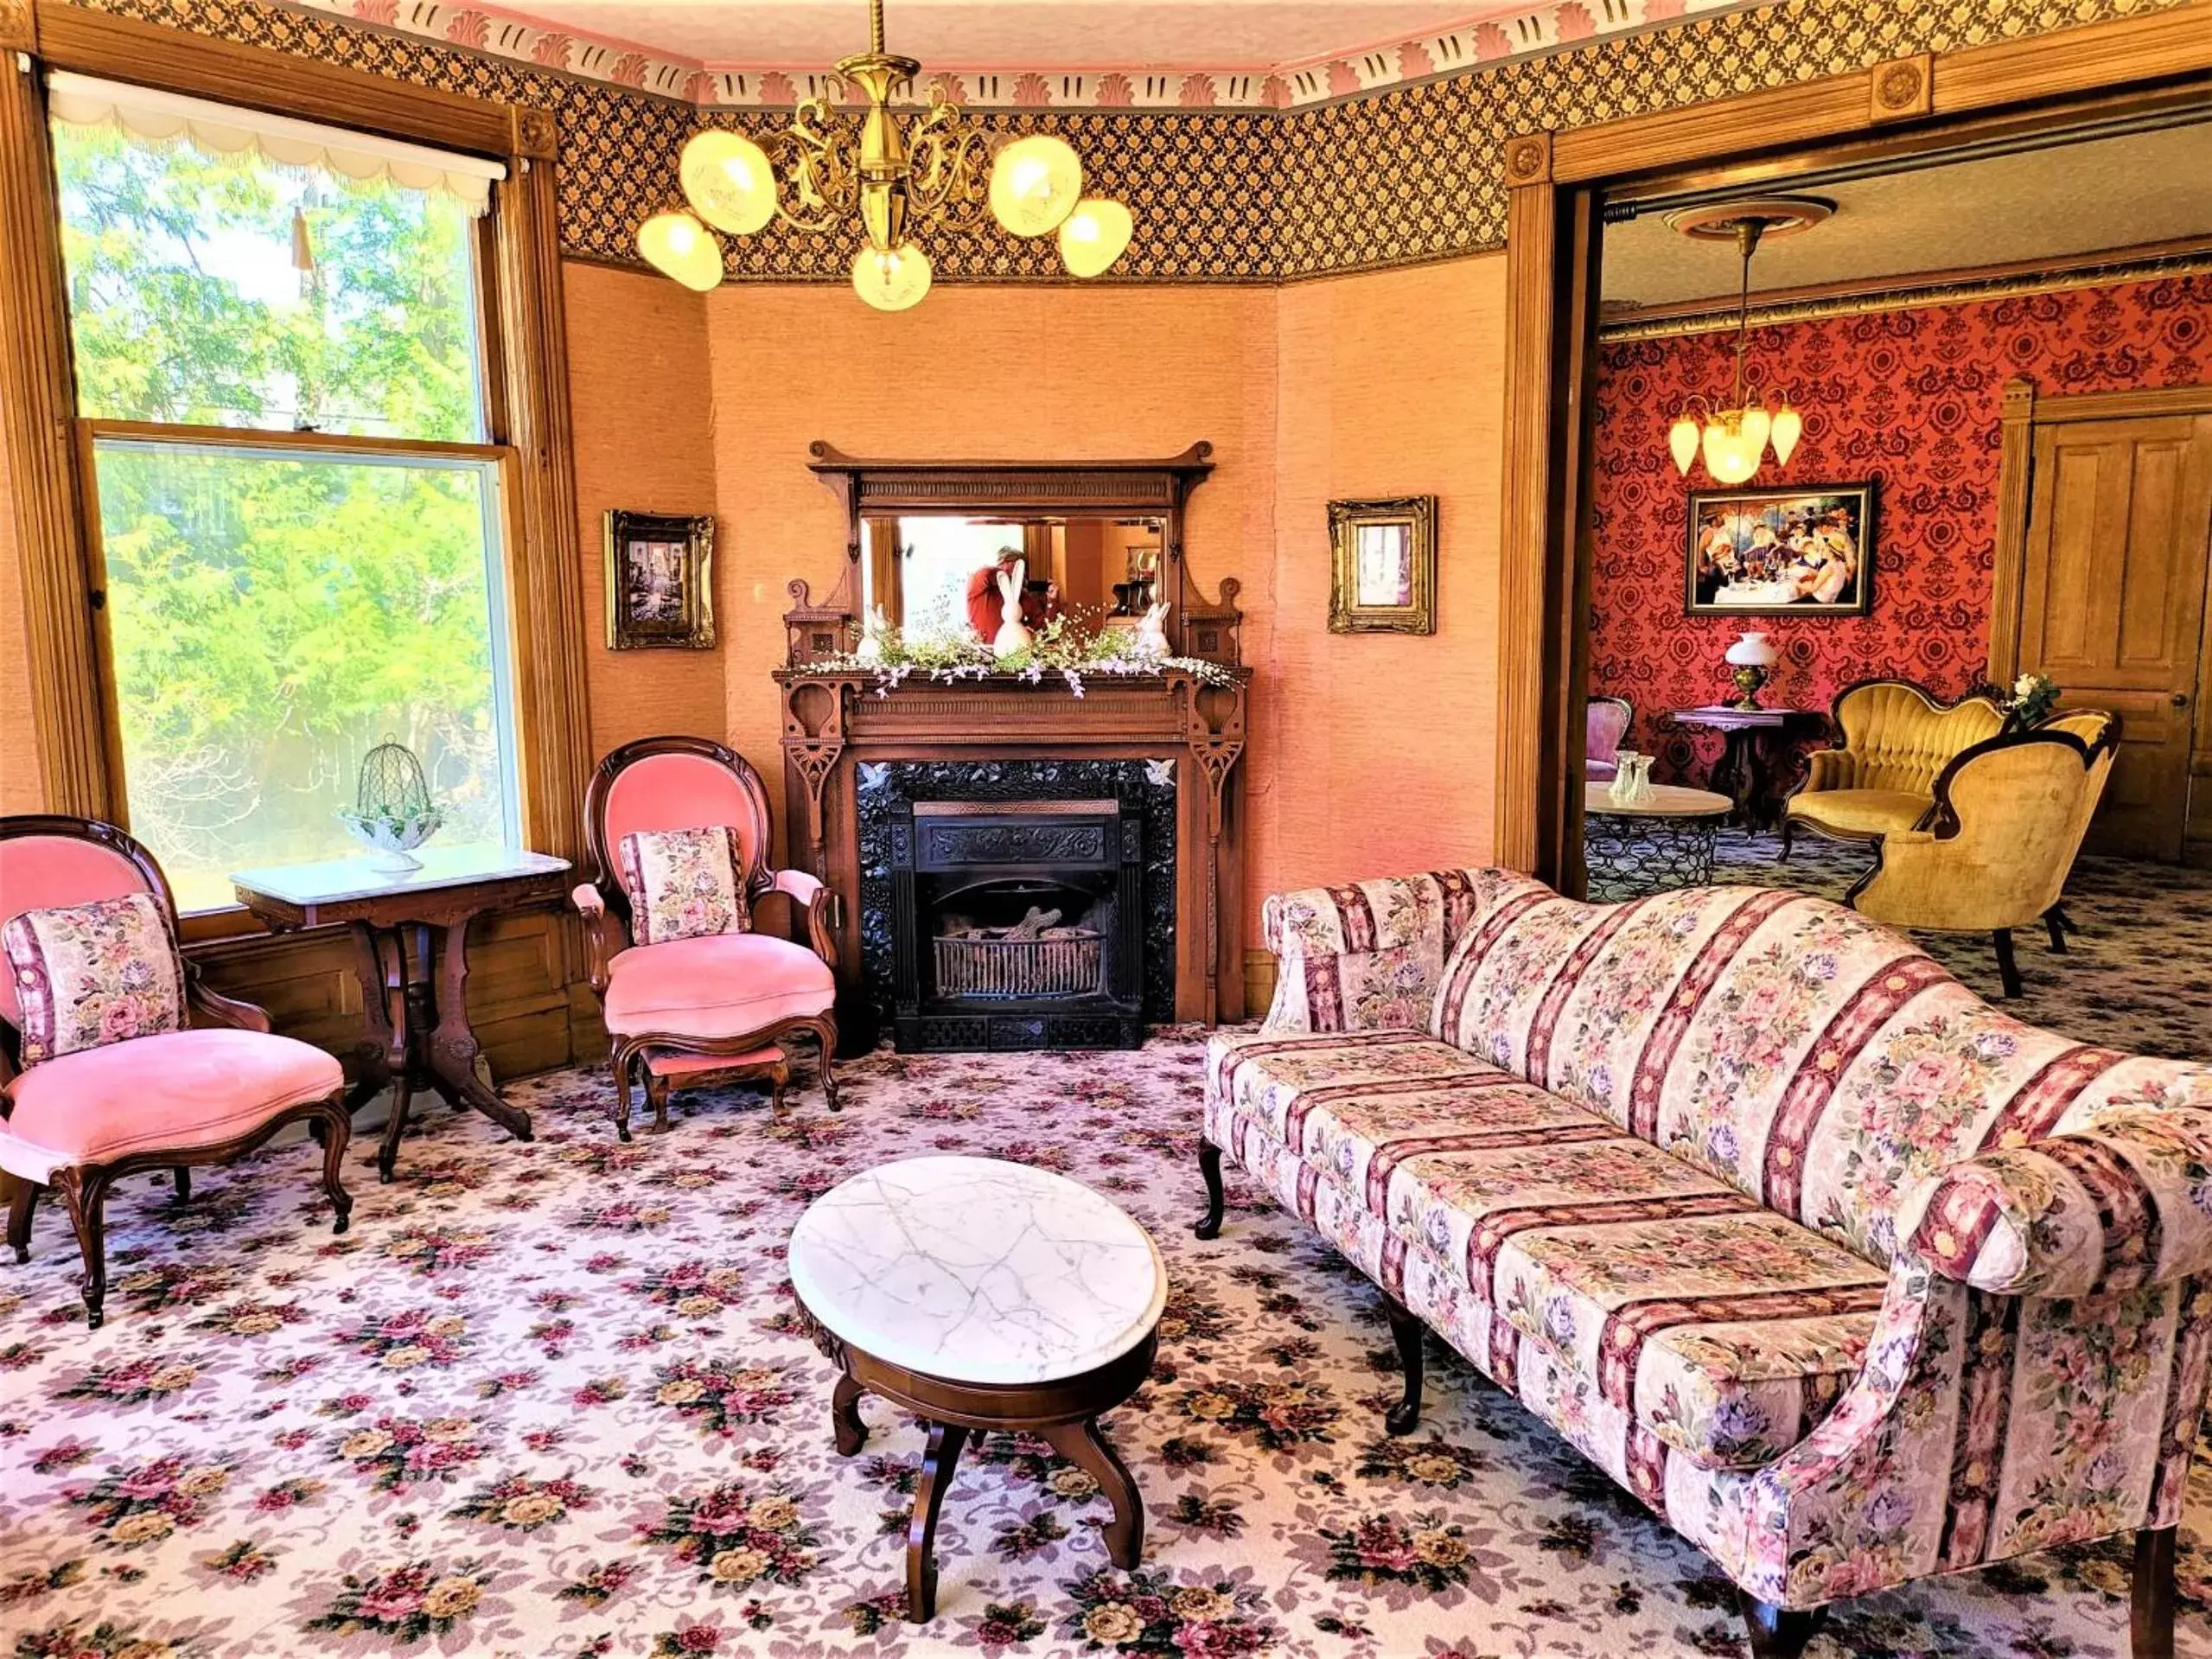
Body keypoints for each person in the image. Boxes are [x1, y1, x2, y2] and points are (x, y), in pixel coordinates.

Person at [965, 547, 1061, 641]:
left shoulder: (1022, 596)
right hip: (982, 651)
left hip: (1014, 652)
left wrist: (1051, 602)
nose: (1015, 573)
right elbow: (986, 573)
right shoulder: (979, 585)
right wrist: (1034, 585)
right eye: (1011, 564)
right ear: (1001, 561)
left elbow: (1044, 627)